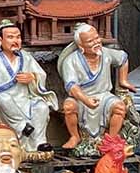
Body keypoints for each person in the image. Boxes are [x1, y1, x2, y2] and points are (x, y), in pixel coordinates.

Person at [0, 20, 58, 150]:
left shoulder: (26, 57)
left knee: (41, 107)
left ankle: (38, 143)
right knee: (3, 99)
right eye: (10, 37)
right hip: (3, 100)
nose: (15, 41)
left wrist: (32, 77)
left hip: (25, 98)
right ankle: (23, 127)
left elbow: (41, 74)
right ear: (0, 40)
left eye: (18, 37)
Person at [55, 22, 133, 152]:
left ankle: (111, 140)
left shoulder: (106, 53)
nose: (96, 42)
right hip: (81, 97)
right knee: (68, 106)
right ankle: (75, 136)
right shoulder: (71, 61)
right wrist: (86, 100)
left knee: (119, 107)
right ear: (81, 46)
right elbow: (72, 86)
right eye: (90, 41)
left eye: (97, 38)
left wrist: (123, 80)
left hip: (104, 96)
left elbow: (123, 58)